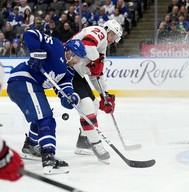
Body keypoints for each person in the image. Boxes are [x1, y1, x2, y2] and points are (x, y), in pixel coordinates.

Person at [7, 29, 86, 175]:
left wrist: (70, 98)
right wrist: (37, 53)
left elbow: (64, 91)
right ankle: (49, 158)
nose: (77, 62)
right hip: (23, 80)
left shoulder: (68, 72)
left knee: (43, 115)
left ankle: (30, 146)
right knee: (46, 119)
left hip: (28, 85)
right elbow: (30, 33)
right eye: (77, 58)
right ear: (69, 52)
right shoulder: (56, 46)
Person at [70, 19, 123, 164]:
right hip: (67, 69)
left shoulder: (103, 45)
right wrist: (95, 59)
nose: (114, 40)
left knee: (94, 103)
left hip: (76, 73)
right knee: (87, 105)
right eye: (114, 35)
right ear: (108, 30)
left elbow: (96, 75)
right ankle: (96, 143)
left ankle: (83, 142)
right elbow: (87, 44)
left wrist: (104, 95)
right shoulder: (100, 32)